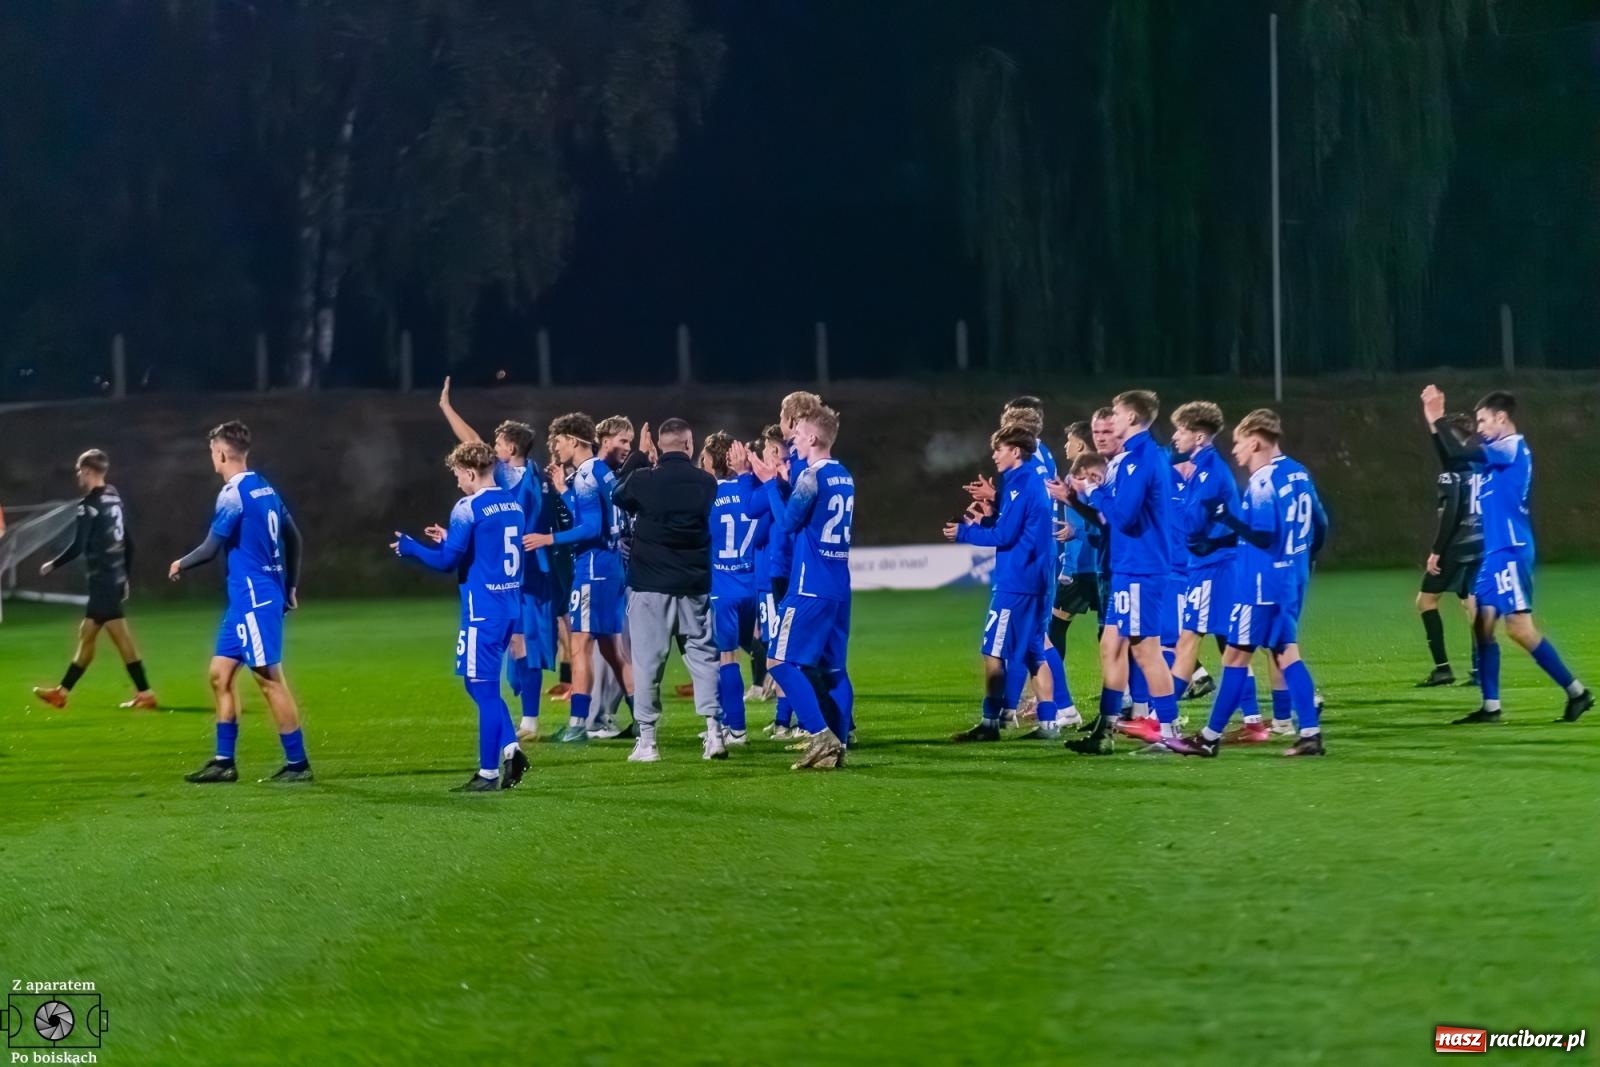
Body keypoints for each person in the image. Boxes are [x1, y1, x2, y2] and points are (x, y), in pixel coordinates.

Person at [1423, 386, 1591, 723]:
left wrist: (1438, 417)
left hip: (1511, 551)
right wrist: (1432, 421)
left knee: (1519, 629)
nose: (1480, 427)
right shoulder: (1493, 449)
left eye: (1484, 420)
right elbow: (1455, 456)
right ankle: (1491, 707)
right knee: (1483, 627)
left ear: (1502, 418)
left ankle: (1578, 692)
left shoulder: (1511, 448)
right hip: (1494, 554)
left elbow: (1459, 447)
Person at [1169, 409, 1326, 757]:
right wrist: (1302, 559)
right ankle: (1311, 734)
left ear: (1255, 441)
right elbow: (1322, 524)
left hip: (1260, 584)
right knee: (1286, 653)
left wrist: (1228, 519)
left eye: (1239, 443)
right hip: (1291, 579)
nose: (1236, 451)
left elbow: (1265, 535)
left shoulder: (1263, 480)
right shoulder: (1298, 473)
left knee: (1236, 659)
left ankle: (1209, 739)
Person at [170, 421, 312, 783]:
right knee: (220, 675)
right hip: (246, 602)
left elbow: (210, 548)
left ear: (220, 453)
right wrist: (291, 586)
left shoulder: (232, 494)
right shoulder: (264, 486)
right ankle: (223, 762)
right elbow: (293, 536)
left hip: (254, 599)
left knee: (269, 679)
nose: (212, 459)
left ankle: (298, 765)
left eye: (212, 453)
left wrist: (180, 563)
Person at [391, 441, 530, 791]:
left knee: (482, 689)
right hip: (509, 607)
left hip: (482, 612)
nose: (457, 483)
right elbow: (488, 549)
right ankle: (512, 749)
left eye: (457, 475)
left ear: (470, 472)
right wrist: (452, 539)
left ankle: (487, 773)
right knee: (479, 685)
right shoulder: (512, 503)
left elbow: (446, 562)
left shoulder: (468, 507)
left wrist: (410, 548)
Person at [437, 377, 556, 742]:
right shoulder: (535, 475)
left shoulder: (506, 477)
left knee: (519, 646)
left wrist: (446, 408)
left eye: (499, 442)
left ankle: (525, 722)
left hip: (518, 575)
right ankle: (524, 719)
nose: (492, 446)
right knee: (518, 644)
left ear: (511, 448)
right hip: (523, 570)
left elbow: (470, 441)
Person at [1065, 390, 1178, 754]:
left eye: (1115, 412)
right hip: (1128, 567)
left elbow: (1123, 517)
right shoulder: (1132, 457)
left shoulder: (1141, 458)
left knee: (1147, 651)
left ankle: (1169, 732)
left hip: (1142, 568)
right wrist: (1080, 496)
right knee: (1111, 646)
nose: (1111, 419)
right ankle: (1105, 732)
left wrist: (1094, 491)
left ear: (1131, 418)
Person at [612, 417, 722, 761]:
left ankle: (648, 742)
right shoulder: (707, 483)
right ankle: (715, 734)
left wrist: (641, 457)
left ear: (659, 445)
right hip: (693, 585)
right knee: (703, 660)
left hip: (649, 586)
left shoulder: (645, 480)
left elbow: (617, 493)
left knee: (647, 664)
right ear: (689, 446)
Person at [524, 413, 634, 743]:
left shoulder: (586, 474)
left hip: (592, 569)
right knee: (612, 650)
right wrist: (563, 491)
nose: (554, 448)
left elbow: (590, 527)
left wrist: (549, 539)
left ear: (573, 440)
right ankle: (643, 717)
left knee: (578, 644)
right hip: (611, 567)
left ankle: (577, 724)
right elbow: (596, 515)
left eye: (557, 441)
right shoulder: (602, 472)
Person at [948, 425, 1060, 741]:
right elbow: (1015, 526)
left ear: (1015, 451)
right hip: (1035, 580)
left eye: (999, 449)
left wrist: (964, 532)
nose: (994, 455)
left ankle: (990, 723)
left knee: (993, 652)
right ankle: (1049, 724)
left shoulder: (1020, 484)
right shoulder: (1029, 482)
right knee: (1033, 653)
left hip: (1016, 583)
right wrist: (988, 517)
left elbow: (1005, 536)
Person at [758, 406, 856, 770]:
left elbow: (785, 523)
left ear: (813, 438)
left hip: (808, 585)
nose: (793, 440)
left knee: (779, 662)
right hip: (838, 585)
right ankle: (839, 742)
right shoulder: (844, 475)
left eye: (797, 433)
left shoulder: (811, 476)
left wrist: (771, 483)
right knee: (834, 670)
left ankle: (820, 736)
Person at [30, 449, 158, 710]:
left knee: (109, 637)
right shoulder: (113, 496)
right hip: (112, 579)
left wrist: (52, 564)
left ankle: (142, 693)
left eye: (79, 471)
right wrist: (125, 577)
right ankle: (64, 692)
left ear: (87, 471)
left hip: (102, 582)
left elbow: (78, 546)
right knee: (93, 634)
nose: (78, 476)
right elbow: (129, 542)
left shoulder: (88, 505)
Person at [1415, 410, 1484, 688]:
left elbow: (1451, 513)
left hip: (1455, 546)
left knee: (1426, 602)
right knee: (1472, 605)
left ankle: (1443, 669)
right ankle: (1480, 670)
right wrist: (1434, 424)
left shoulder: (1451, 476)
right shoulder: (1478, 467)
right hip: (1480, 542)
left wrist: (1436, 551)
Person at [703, 432, 762, 745]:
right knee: (769, 650)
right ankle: (787, 721)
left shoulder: (709, 495)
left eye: (705, 457)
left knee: (726, 658)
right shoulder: (752, 488)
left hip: (722, 588)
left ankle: (735, 728)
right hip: (753, 585)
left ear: (714, 460)